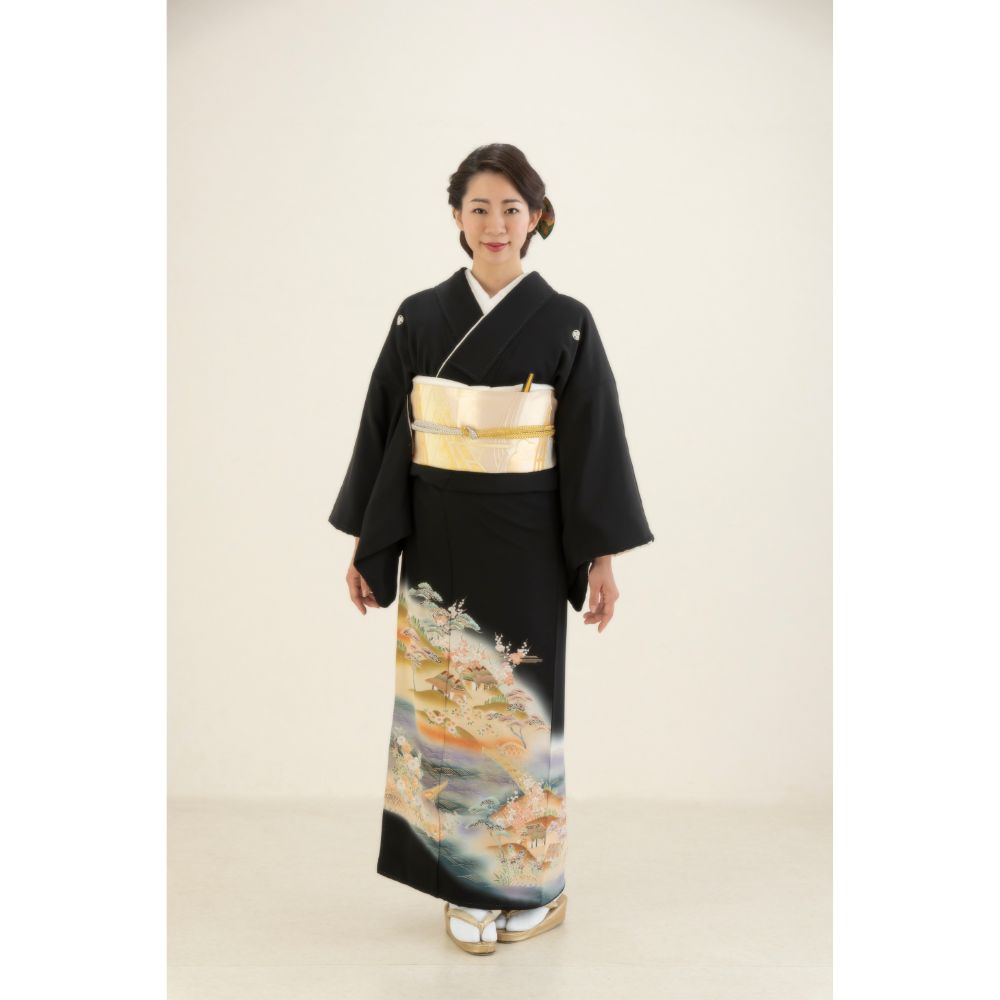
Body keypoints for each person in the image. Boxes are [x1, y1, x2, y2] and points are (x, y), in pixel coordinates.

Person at [328, 143, 654, 955]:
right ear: (457, 217)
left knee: (520, 717)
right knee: (445, 713)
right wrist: (370, 546)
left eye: (512, 208)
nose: (495, 224)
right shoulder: (417, 317)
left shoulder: (567, 320)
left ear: (536, 217)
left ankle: (535, 887)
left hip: (530, 544)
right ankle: (463, 888)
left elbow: (593, 446)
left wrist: (601, 559)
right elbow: (385, 433)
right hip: (437, 537)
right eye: (479, 208)